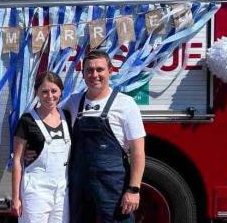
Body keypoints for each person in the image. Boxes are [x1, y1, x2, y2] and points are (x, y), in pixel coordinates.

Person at [63, 50, 146, 223]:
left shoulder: (125, 104)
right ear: (83, 72)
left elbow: (138, 151)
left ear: (110, 70)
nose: (95, 75)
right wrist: (32, 147)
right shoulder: (73, 102)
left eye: (100, 70)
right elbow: (48, 122)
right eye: (89, 70)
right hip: (80, 186)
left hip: (112, 185)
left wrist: (133, 189)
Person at [12, 72, 72, 223]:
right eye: (44, 91)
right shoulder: (27, 120)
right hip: (36, 190)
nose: (49, 96)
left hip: (62, 191)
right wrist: (15, 198)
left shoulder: (68, 116)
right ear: (36, 92)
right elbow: (17, 161)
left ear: (61, 91)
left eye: (54, 91)